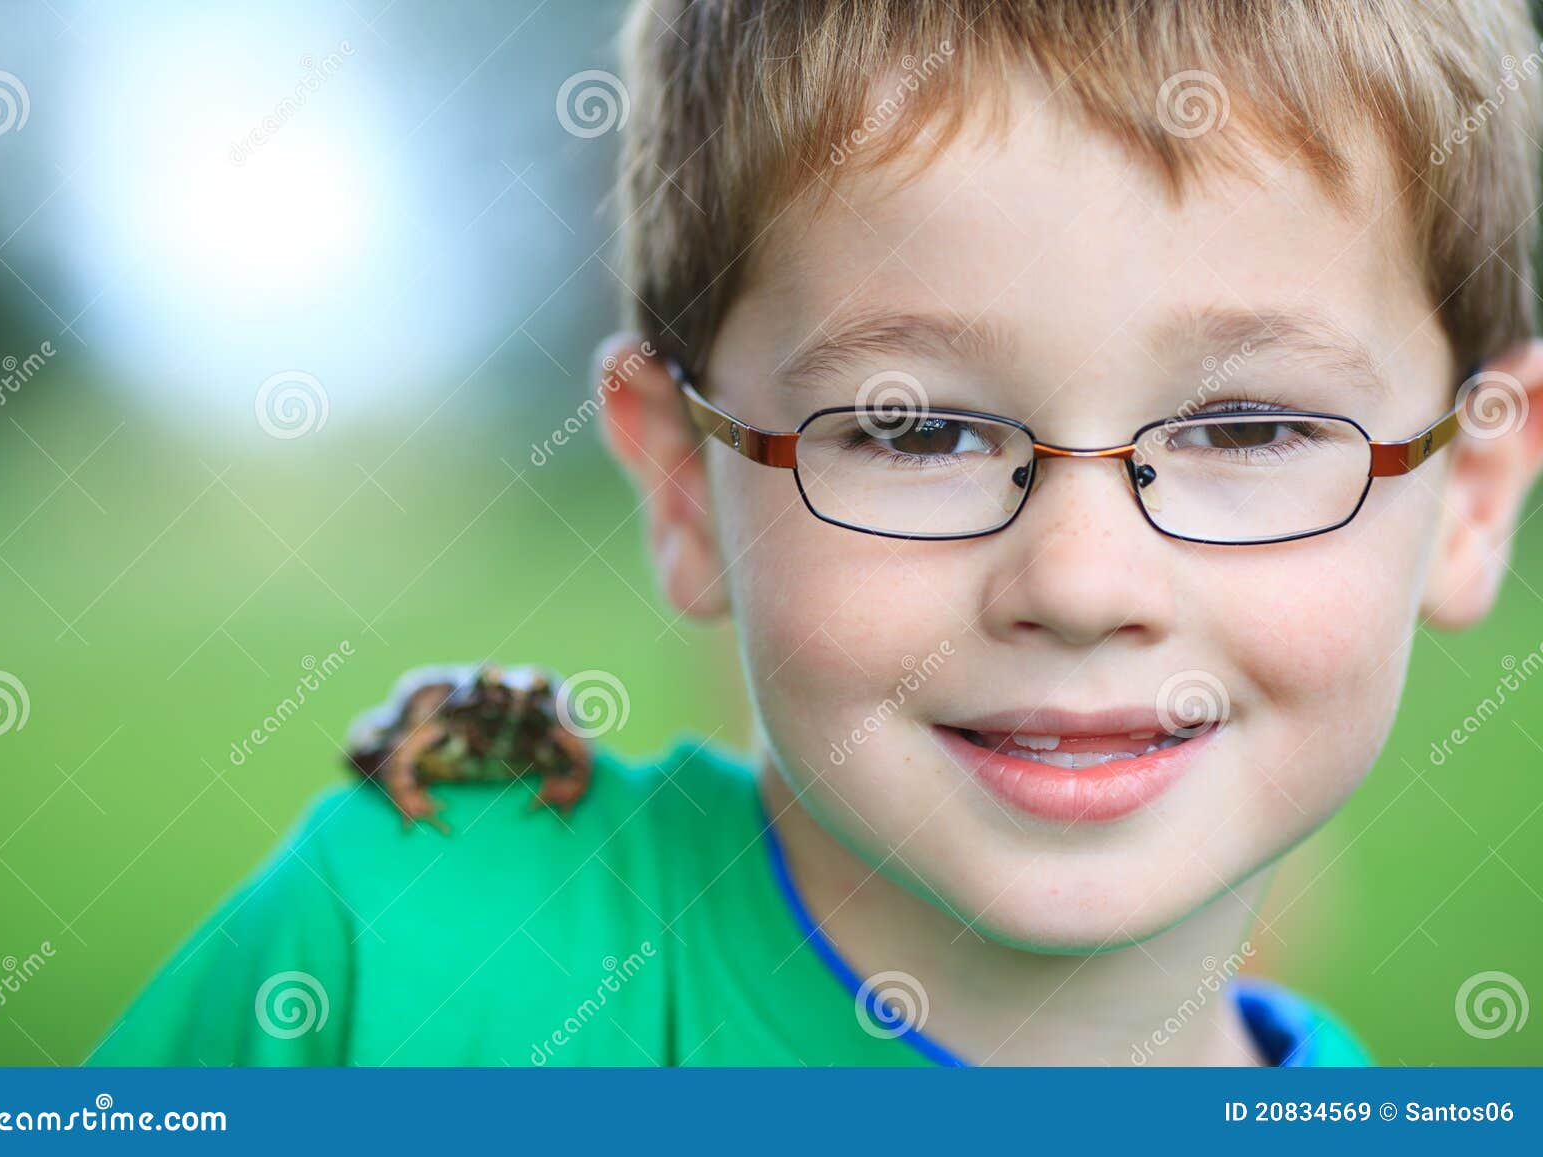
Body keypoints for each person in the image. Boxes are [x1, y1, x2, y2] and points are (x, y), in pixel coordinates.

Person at [89, 0, 1543, 1067]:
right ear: (679, 482)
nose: (1085, 582)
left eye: (1245, 430)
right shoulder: (389, 960)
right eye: (915, 431)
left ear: (1474, 493)